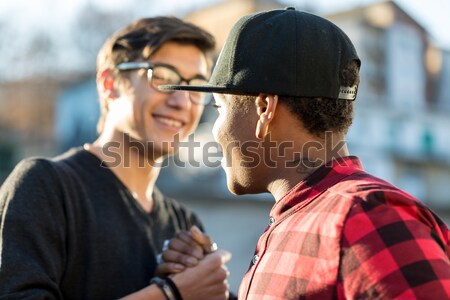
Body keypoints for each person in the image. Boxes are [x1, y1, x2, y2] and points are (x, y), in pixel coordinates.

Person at [160, 7, 450, 299]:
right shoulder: (309, 217)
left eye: (218, 109)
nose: (215, 130)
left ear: (264, 110)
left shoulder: (366, 217)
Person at [0, 17, 231, 300]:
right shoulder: (45, 187)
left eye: (195, 85)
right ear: (110, 84)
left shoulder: (183, 225)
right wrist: (170, 293)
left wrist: (207, 282)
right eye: (162, 77)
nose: (181, 101)